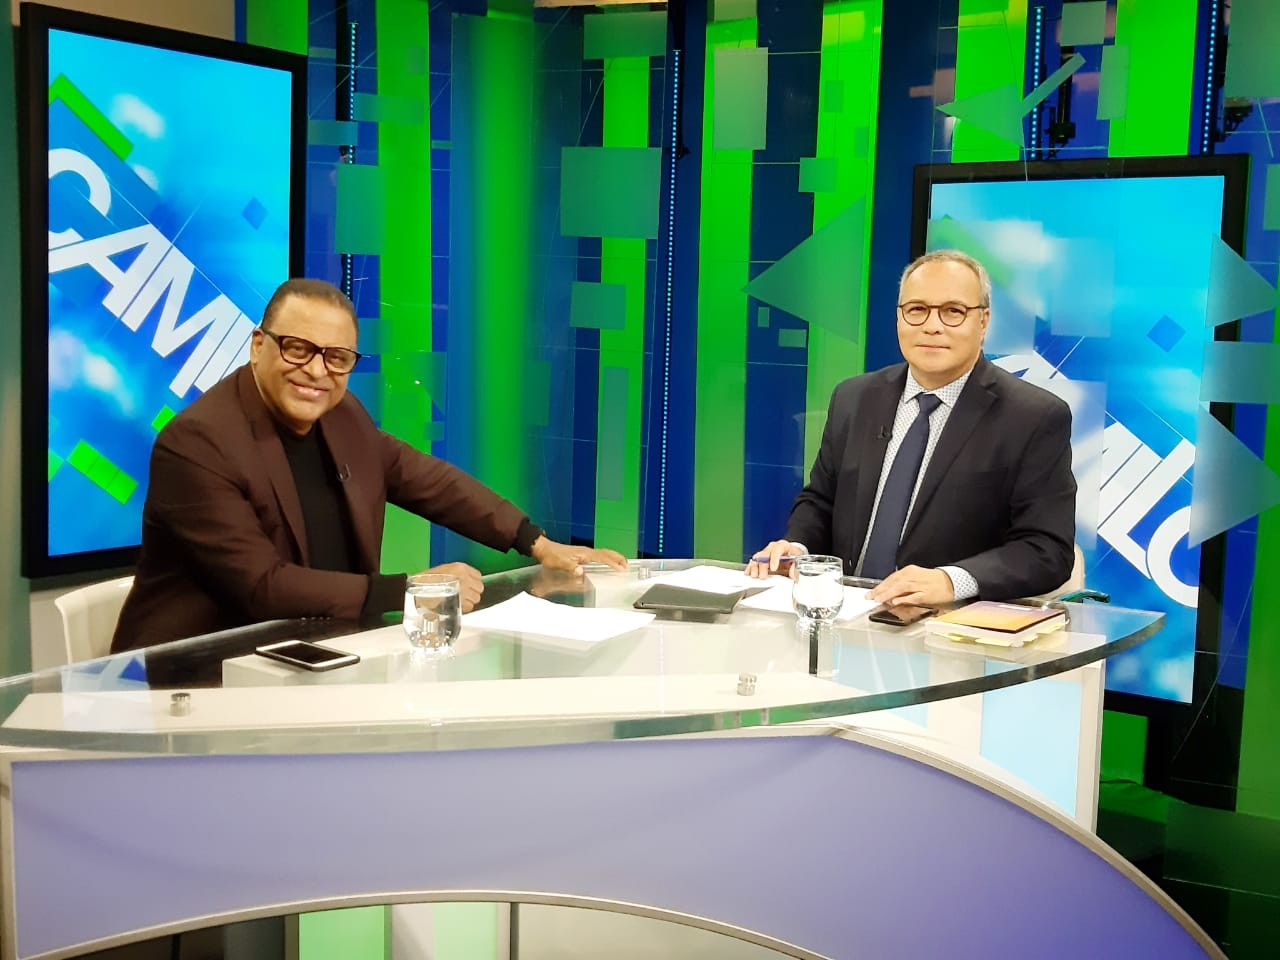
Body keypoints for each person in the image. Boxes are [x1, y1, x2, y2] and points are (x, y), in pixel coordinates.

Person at [112, 279, 627, 652]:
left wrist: (536, 542)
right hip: (196, 679)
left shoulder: (343, 416)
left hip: (316, 656)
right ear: (258, 345)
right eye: (297, 349)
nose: (316, 371)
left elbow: (430, 481)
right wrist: (411, 589)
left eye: (337, 357)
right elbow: (261, 586)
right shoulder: (198, 444)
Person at [747, 249, 1076, 608]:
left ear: (983, 322)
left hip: (949, 625)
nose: (932, 326)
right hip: (846, 611)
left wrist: (951, 580)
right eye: (917, 309)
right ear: (899, 317)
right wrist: (798, 547)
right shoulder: (854, 398)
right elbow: (821, 501)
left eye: (953, 311)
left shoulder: (1033, 417)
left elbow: (1047, 550)